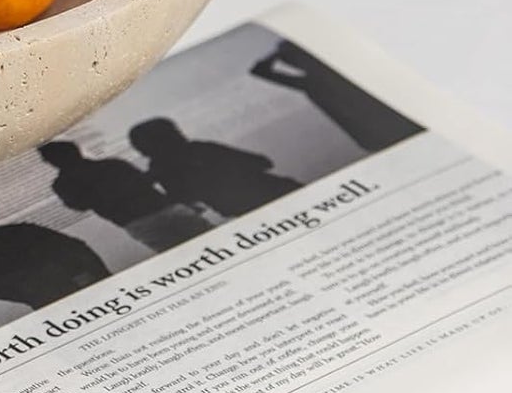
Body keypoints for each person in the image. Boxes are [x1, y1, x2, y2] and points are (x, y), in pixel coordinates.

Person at [249, 39, 423, 152]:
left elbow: (259, 71)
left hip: (386, 132)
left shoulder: (316, 80)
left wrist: (278, 53)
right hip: (389, 130)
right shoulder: (316, 80)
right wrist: (280, 52)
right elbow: (259, 71)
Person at [39, 140, 214, 252]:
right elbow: (146, 181)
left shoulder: (63, 185)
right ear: (76, 150)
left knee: (178, 256)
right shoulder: (112, 164)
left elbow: (79, 206)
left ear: (50, 162)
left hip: (137, 222)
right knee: (214, 241)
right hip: (164, 208)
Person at [0, 204, 109, 308]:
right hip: (54, 295)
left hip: (65, 290)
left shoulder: (22, 230)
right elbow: (74, 247)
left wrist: (27, 295)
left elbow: (72, 247)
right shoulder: (21, 230)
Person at [127, 118, 299, 218]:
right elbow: (263, 162)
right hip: (280, 192)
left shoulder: (161, 170)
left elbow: (188, 202)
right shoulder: (200, 148)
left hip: (249, 212)